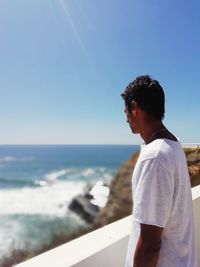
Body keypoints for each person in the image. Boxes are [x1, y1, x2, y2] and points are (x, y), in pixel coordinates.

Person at [121, 75, 196, 267]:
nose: (126, 119)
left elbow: (150, 245)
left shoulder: (155, 157)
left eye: (126, 112)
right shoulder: (173, 145)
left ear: (135, 107)